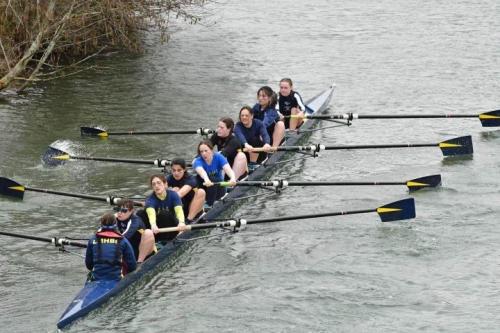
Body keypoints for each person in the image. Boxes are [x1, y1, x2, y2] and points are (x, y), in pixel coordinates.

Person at [85, 212, 137, 281]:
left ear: (101, 224)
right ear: (115, 224)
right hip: (117, 279)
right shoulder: (123, 240)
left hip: (97, 278)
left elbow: (89, 265)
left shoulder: (93, 239)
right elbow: (132, 266)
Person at [144, 174, 186, 242]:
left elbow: (179, 210)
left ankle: (169, 239)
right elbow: (151, 213)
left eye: (159, 183)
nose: (156, 186)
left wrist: (181, 222)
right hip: (158, 228)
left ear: (165, 184)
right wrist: (153, 225)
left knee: (164, 214)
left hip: (173, 225)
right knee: (141, 213)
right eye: (153, 184)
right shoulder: (149, 200)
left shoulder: (173, 195)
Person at [193, 140, 237, 205]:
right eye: (201, 152)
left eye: (206, 151)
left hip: (219, 188)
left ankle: (209, 204)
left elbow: (229, 170)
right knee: (194, 179)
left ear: (211, 150)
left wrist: (233, 179)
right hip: (206, 186)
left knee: (212, 179)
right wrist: (206, 180)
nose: (203, 154)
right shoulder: (198, 161)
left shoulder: (219, 157)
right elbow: (202, 172)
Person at [167, 158, 206, 223]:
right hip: (181, 208)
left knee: (201, 192)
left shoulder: (191, 179)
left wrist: (170, 192)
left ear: (184, 169)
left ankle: (189, 220)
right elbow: (159, 190)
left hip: (193, 209)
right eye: (174, 170)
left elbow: (180, 194)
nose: (176, 173)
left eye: (179, 170)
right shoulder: (170, 178)